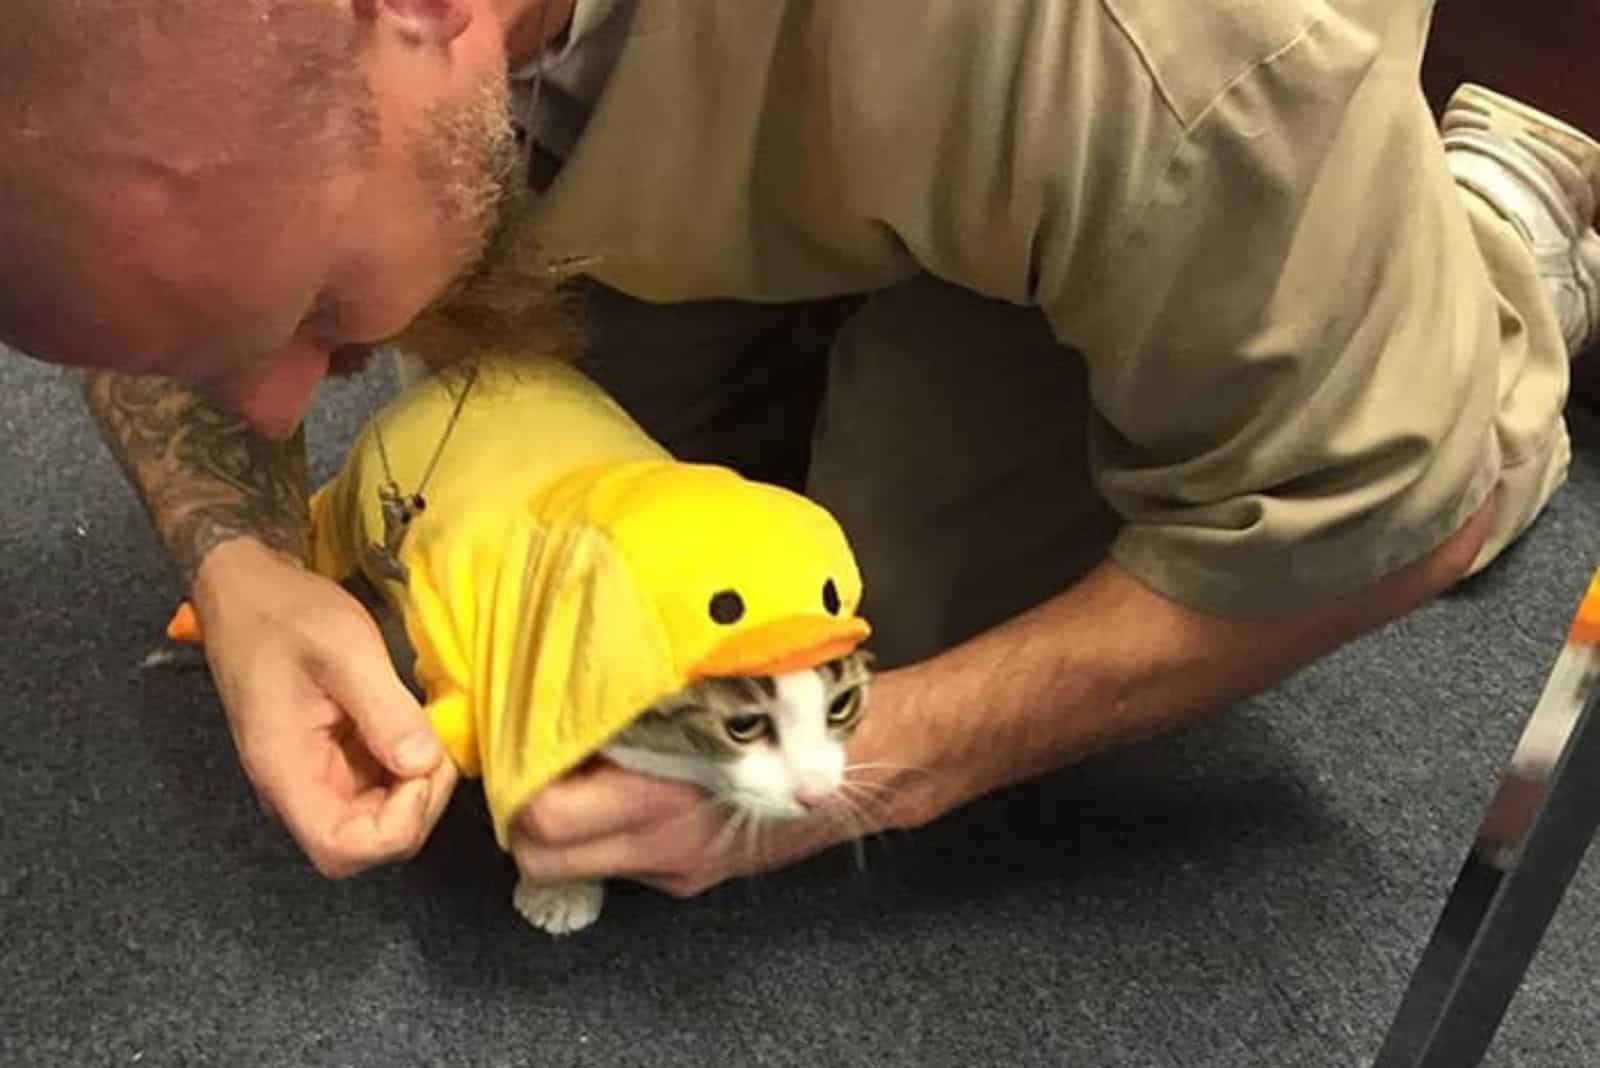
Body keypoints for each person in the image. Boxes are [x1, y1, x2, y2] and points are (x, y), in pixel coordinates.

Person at [3, 0, 1597, 899]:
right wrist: (243, 555)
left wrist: (837, 780)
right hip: (820, 98)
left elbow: (1397, 515)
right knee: (631, 523)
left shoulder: (1153, 50)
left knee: (868, 610)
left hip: (1183, 126)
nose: (281, 411)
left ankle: (1507, 222)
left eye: (301, 311)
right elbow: (150, 231)